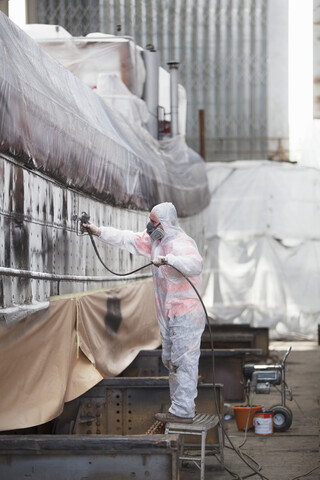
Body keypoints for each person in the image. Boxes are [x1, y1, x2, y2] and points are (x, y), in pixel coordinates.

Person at [85, 202, 205, 423]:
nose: (149, 226)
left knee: (184, 362)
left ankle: (183, 411)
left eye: (153, 222)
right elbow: (127, 238)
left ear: (166, 223)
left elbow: (195, 264)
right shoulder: (157, 242)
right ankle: (178, 408)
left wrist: (169, 260)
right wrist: (98, 231)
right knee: (171, 360)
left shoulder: (181, 243)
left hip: (187, 314)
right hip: (170, 313)